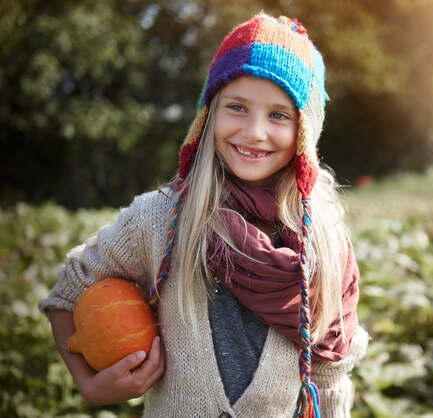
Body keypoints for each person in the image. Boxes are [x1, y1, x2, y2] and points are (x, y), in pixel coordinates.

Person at [39, 12, 368, 418]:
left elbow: (330, 378)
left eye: (278, 115)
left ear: (305, 131)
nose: (254, 132)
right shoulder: (163, 218)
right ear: (208, 114)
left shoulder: (324, 240)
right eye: (237, 107)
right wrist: (89, 384)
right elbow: (70, 288)